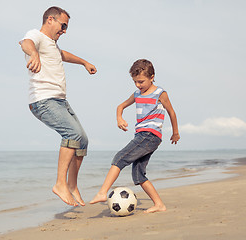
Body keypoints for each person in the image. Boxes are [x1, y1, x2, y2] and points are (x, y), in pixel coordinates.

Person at [19, 6, 97, 207]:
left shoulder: (52, 45)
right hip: (43, 101)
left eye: (66, 28)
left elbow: (63, 55)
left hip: (60, 101)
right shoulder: (35, 36)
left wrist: (84, 62)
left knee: (83, 140)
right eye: (63, 26)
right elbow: (25, 43)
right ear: (50, 19)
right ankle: (60, 184)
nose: (64, 31)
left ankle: (72, 186)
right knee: (72, 134)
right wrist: (34, 55)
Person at [90, 59, 180, 213]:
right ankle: (159, 204)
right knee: (138, 175)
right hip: (143, 136)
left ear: (152, 77)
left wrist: (175, 133)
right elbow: (120, 106)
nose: (138, 85)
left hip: (149, 135)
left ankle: (102, 192)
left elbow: (171, 112)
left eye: (141, 81)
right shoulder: (137, 94)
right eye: (135, 82)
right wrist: (119, 118)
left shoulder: (160, 93)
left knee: (119, 158)